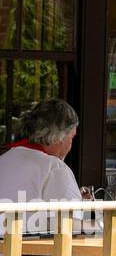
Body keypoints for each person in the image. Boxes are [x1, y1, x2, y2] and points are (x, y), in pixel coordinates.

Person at [0, 99, 95, 237]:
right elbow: (69, 225)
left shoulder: (4, 159)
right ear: (60, 137)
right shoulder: (54, 166)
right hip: (26, 255)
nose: (70, 145)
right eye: (71, 137)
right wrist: (99, 224)